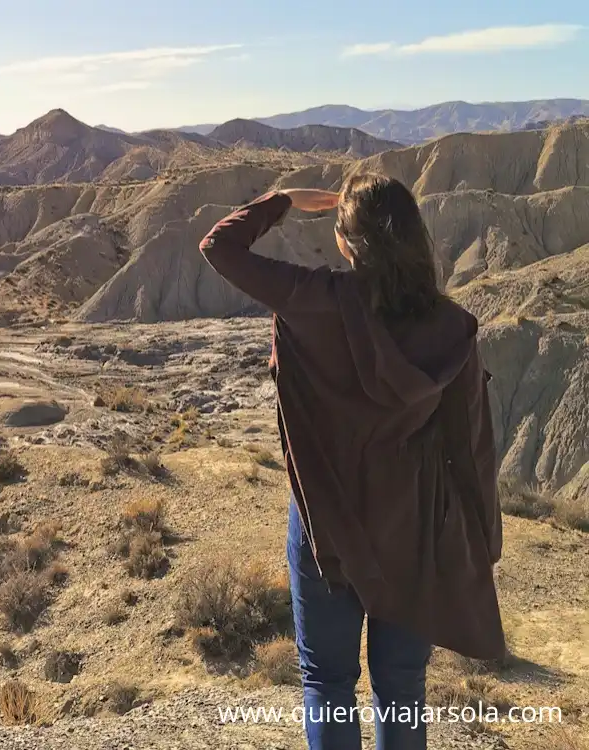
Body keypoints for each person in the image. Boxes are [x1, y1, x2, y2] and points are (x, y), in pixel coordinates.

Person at [198, 174, 505, 750]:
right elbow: (472, 447)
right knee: (402, 686)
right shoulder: (449, 327)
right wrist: (484, 539)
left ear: (346, 243)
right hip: (412, 531)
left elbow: (219, 247)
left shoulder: (314, 300)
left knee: (329, 681)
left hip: (326, 525)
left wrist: (284, 202)